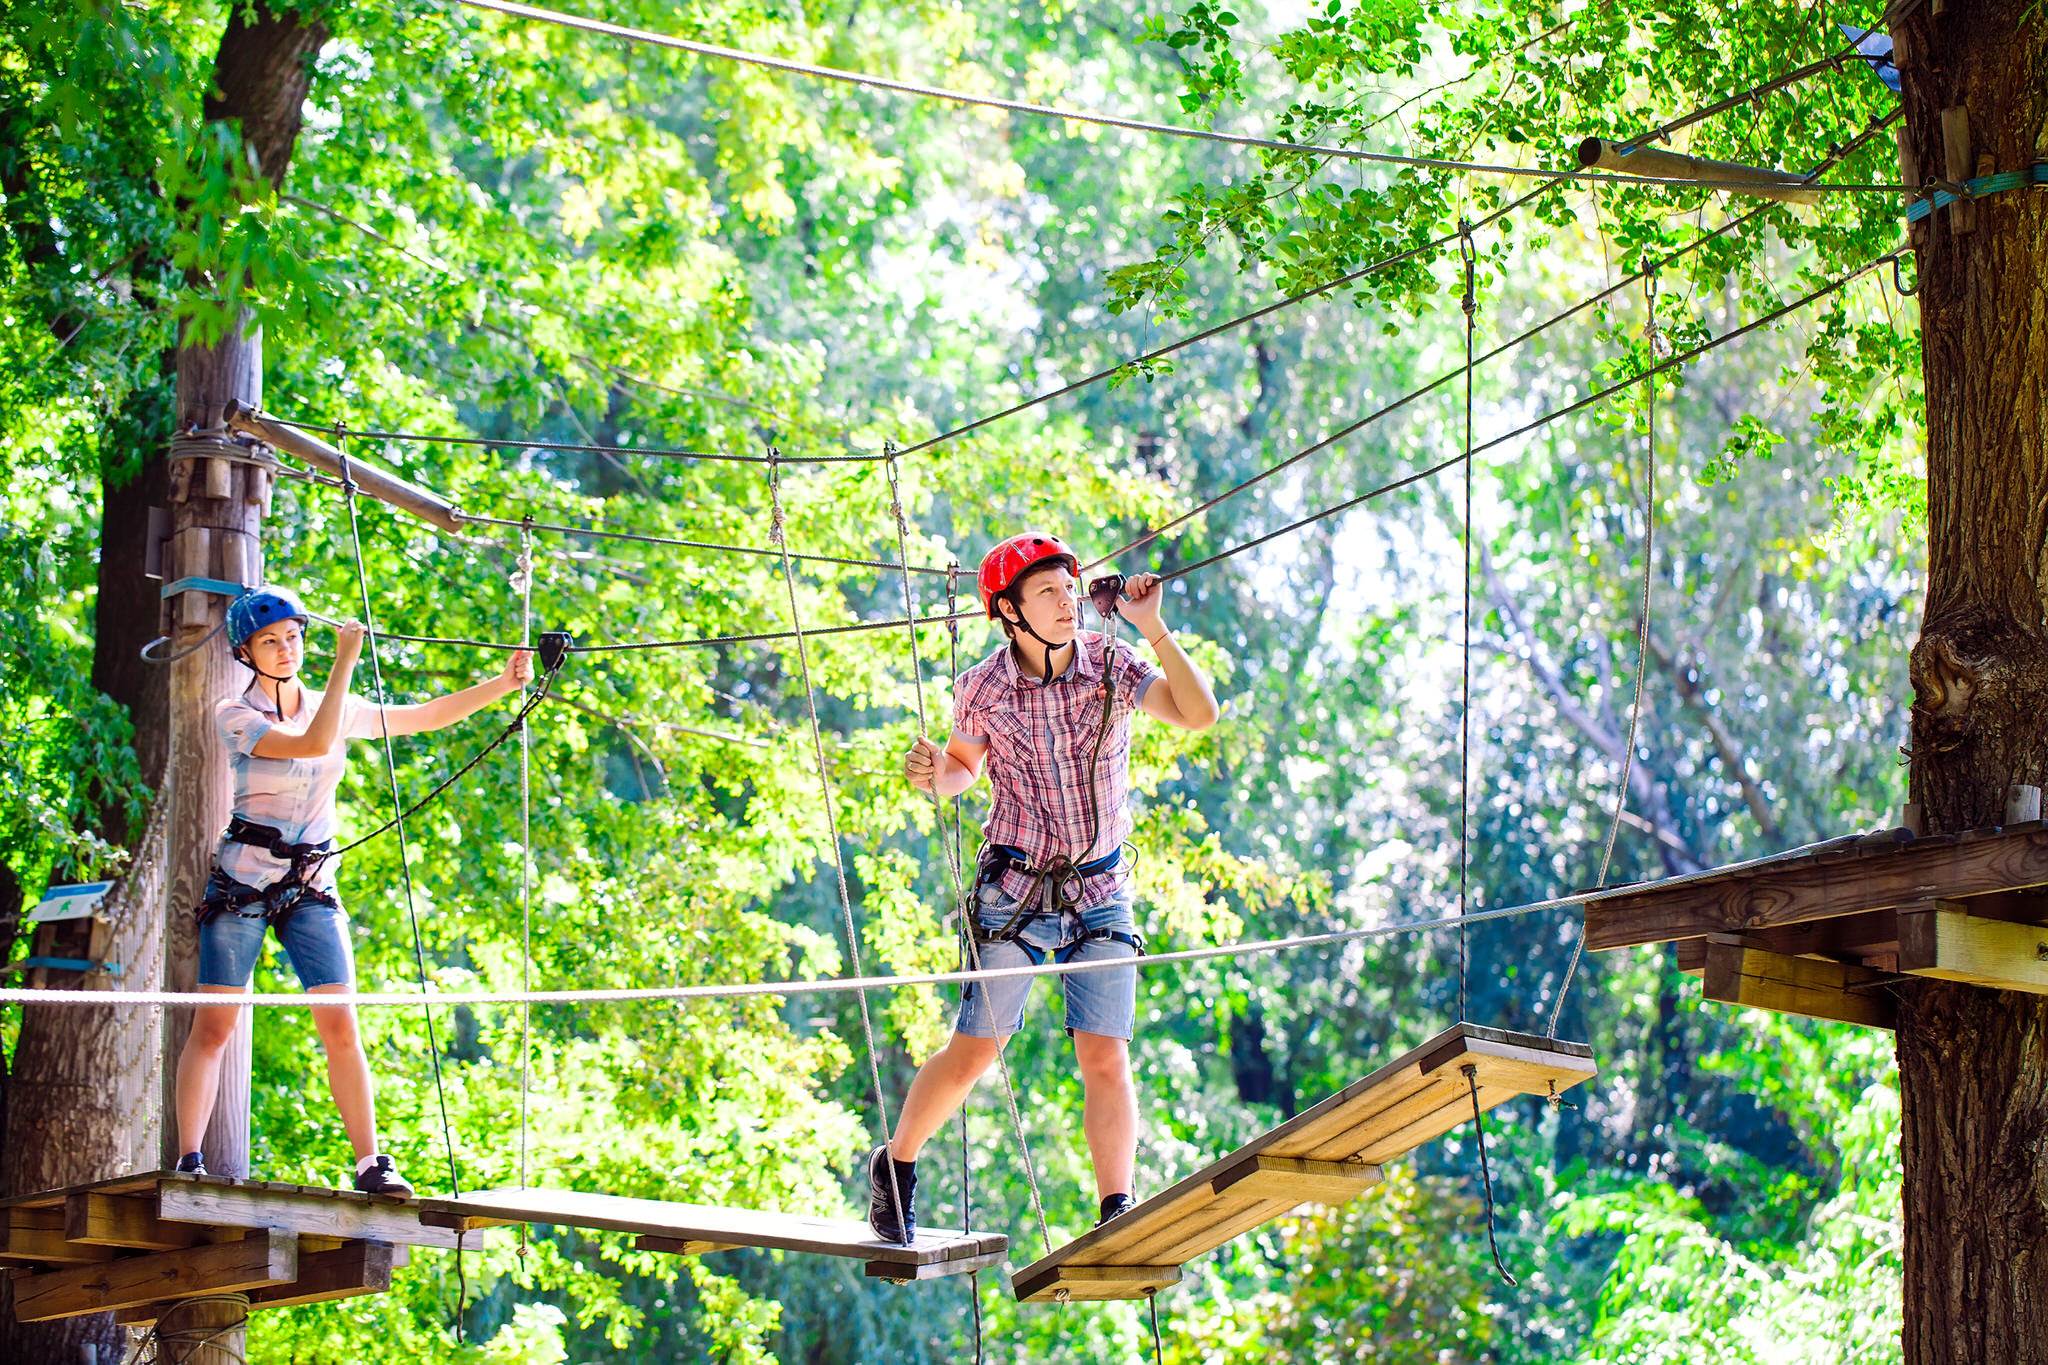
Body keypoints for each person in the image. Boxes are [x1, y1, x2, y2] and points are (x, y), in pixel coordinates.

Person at [864, 533, 1219, 1242]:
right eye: (1048, 593)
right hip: (1015, 891)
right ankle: (895, 1165)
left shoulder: (1112, 665)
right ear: (1010, 613)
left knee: (1104, 1050)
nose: (1066, 604)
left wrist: (1154, 627)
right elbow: (966, 766)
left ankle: (1117, 1206)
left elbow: (1198, 712)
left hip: (1099, 888)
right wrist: (938, 775)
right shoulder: (983, 687)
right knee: (976, 1048)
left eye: (1069, 589)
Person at [172, 586, 532, 1196]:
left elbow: (421, 717)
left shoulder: (335, 704)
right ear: (246, 651)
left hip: (310, 882)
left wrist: (503, 685)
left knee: (340, 1020)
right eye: (269, 642)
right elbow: (311, 744)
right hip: (243, 882)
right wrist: (345, 660)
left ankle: (371, 1163)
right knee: (216, 1025)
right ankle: (189, 1158)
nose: (286, 651)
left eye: (292, 638)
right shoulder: (235, 715)